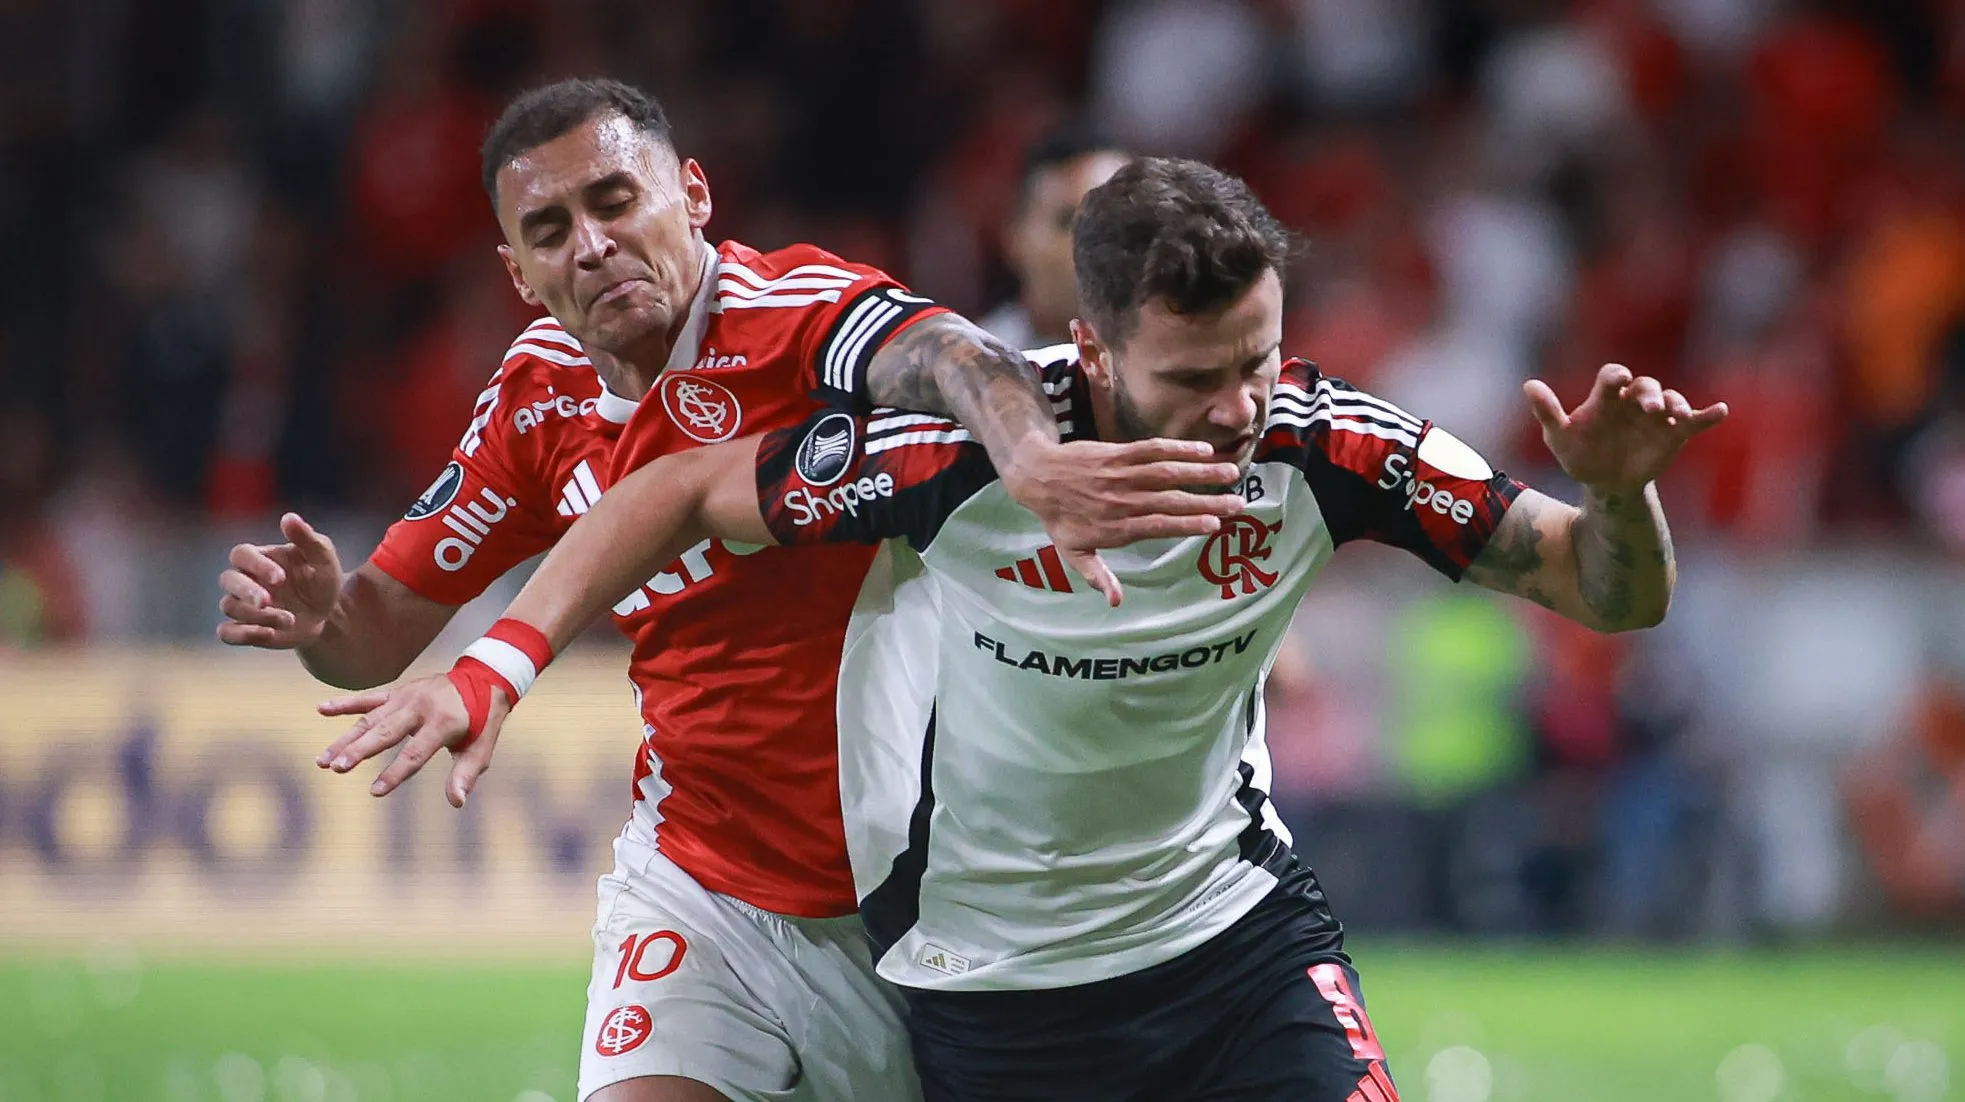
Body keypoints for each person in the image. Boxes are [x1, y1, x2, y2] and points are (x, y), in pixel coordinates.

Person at [327, 157, 1727, 1100]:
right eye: (1197, 377)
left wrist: (1616, 495)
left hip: (1235, 941)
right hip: (993, 989)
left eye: (1258, 357)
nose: (1242, 406)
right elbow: (680, 490)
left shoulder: (1323, 443)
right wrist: (498, 659)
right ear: (1096, 355)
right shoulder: (957, 456)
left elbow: (1601, 585)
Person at [216, 80, 1241, 1102]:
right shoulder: (535, 403)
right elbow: (371, 635)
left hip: (934, 901)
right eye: (549, 228)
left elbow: (958, 354)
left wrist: (1030, 460)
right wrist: (321, 620)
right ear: (519, 272)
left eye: (616, 201)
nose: (591, 243)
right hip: (704, 888)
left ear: (693, 196)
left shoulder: (797, 315)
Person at [978, 122, 1132, 350]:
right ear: (1015, 238)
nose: (1097, 244)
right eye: (1068, 221)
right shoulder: (969, 369)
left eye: (1115, 220)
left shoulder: (1188, 352)